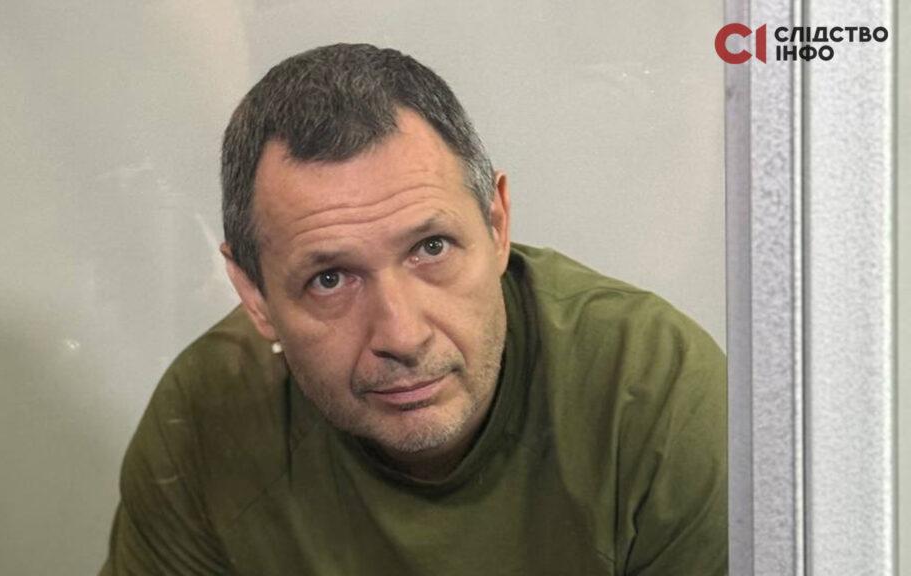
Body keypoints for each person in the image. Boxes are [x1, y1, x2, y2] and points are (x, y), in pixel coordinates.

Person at [100, 43, 726, 575]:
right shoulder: (206, 420)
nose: (402, 335)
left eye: (431, 248)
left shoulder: (654, 395)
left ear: (497, 225)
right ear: (254, 295)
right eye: (329, 279)